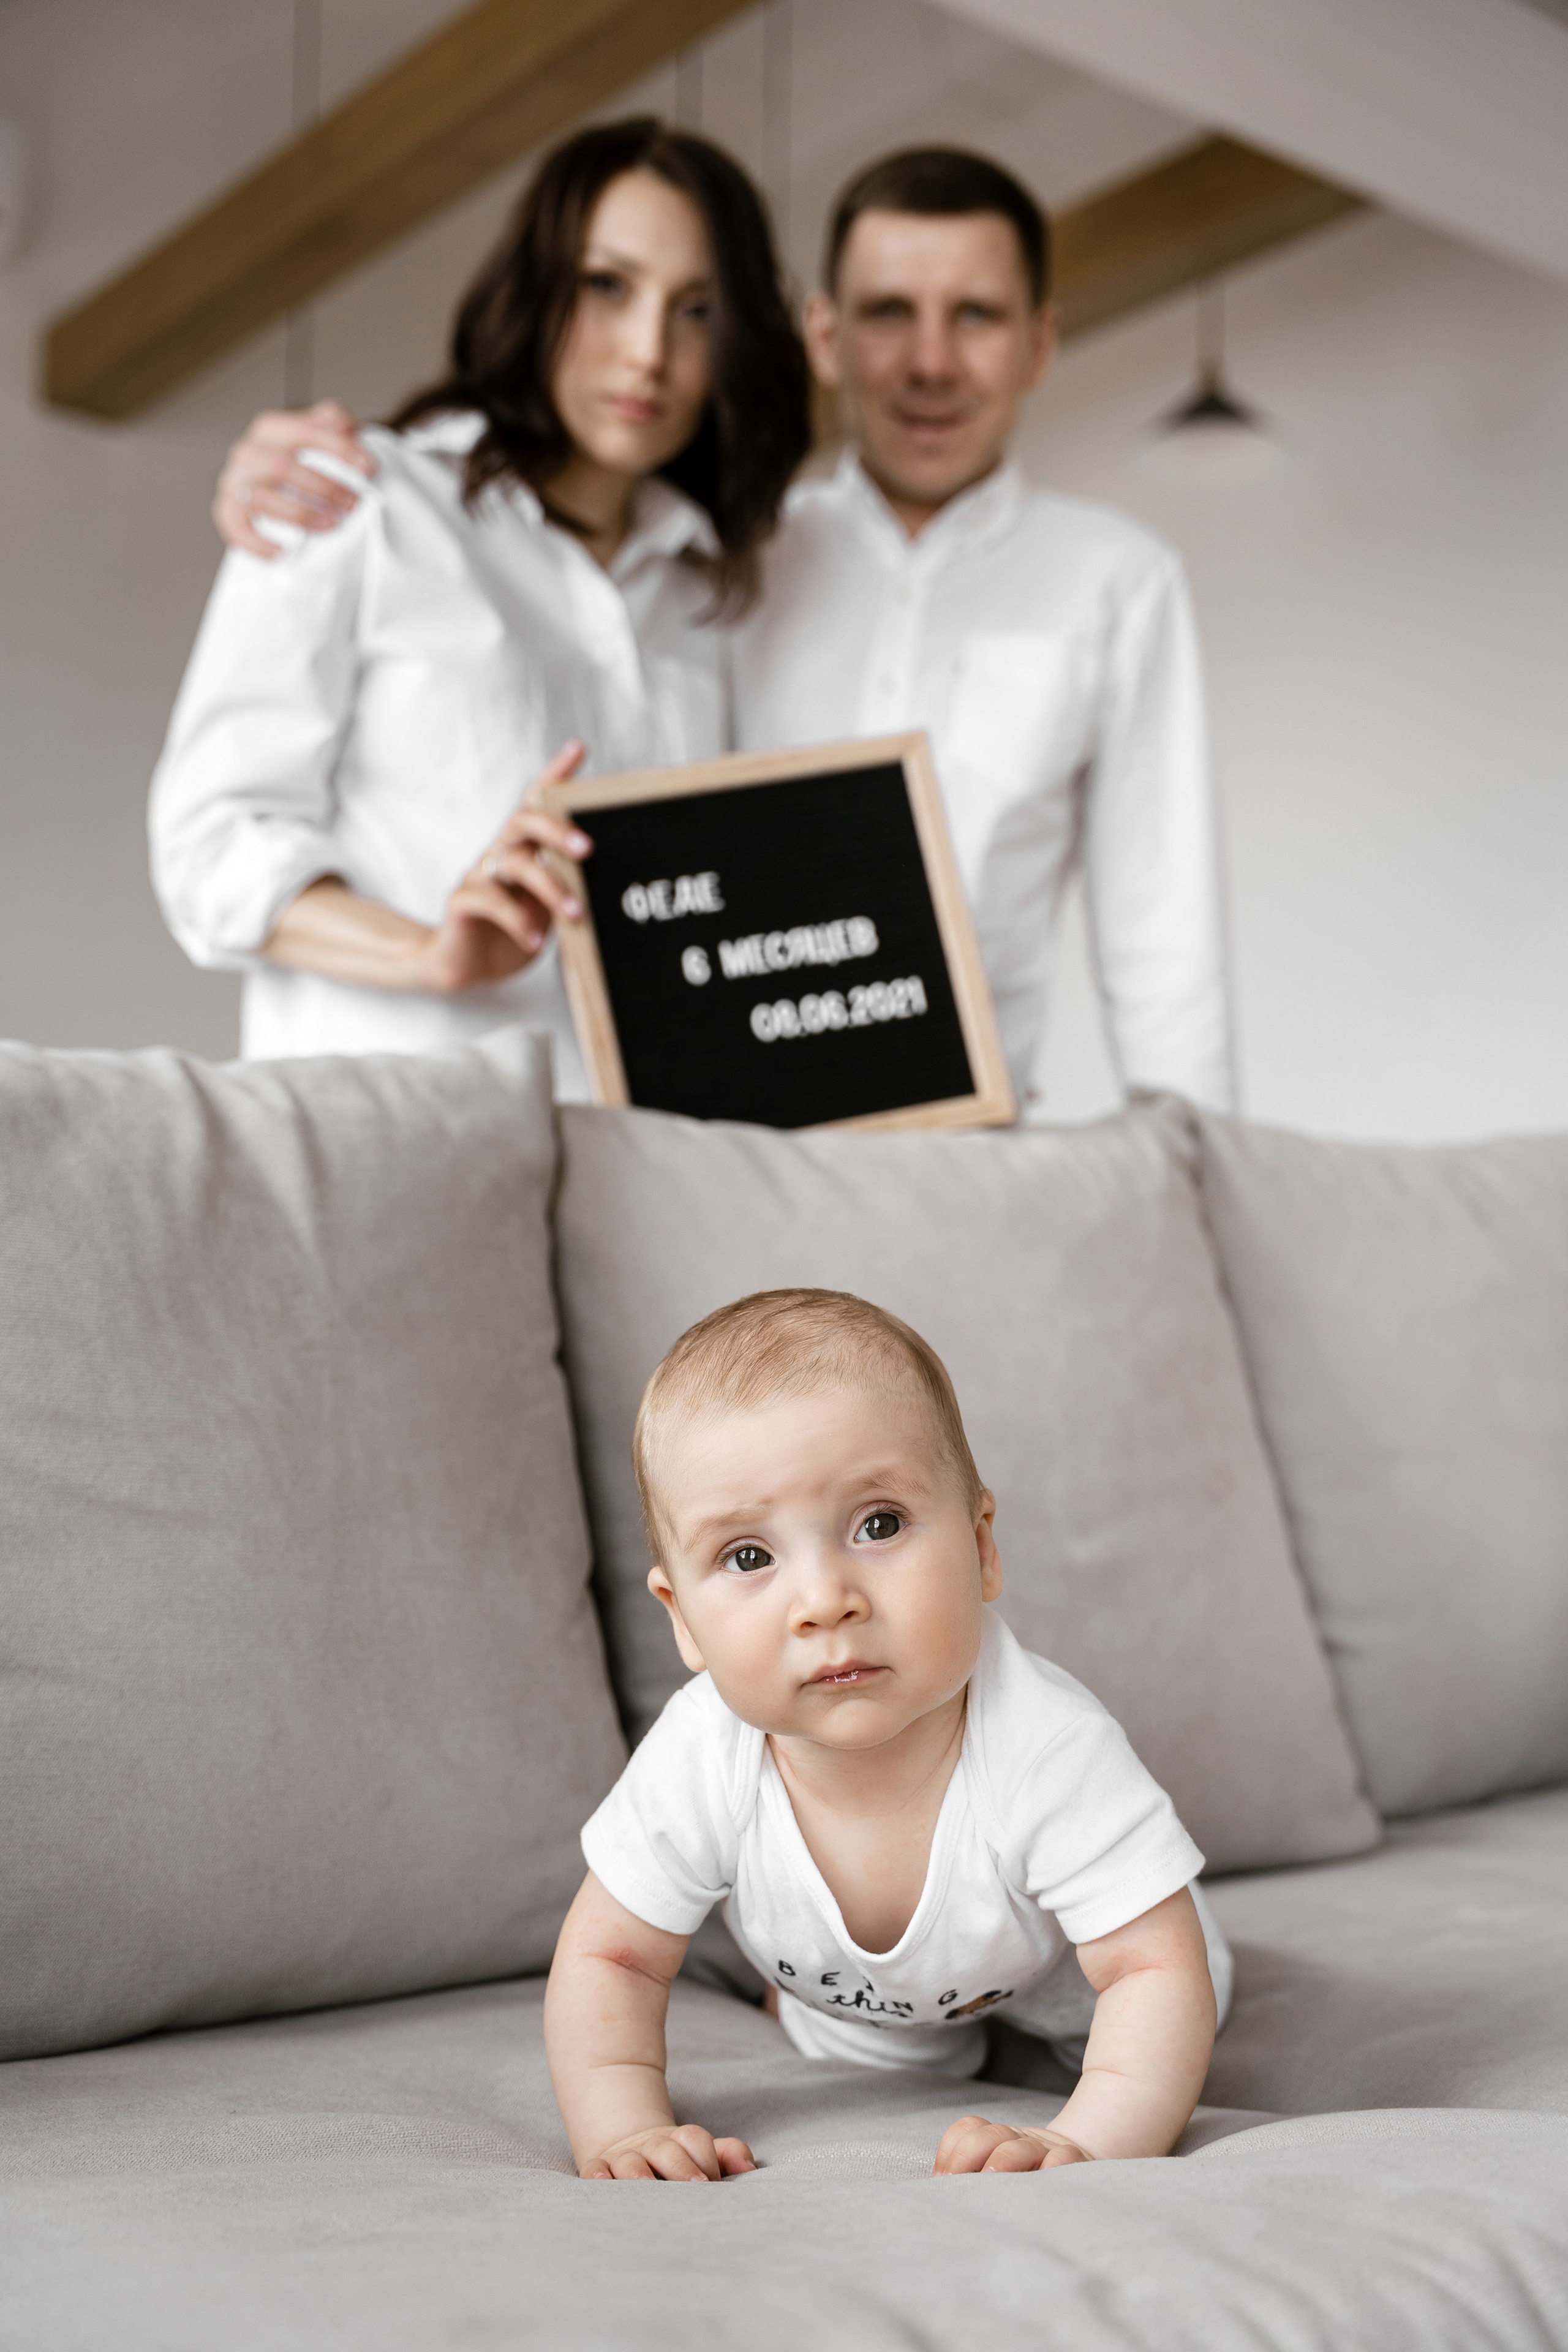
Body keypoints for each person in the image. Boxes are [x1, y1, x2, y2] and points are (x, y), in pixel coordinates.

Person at [211, 146, 1233, 1114]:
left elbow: (1164, 936)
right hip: (707, 1146)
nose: (931, 362)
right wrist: (291, 475)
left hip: (967, 1146)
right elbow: (218, 839)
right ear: (823, 336)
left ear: (1038, 342)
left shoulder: (1113, 581)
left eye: (975, 316)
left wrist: (1201, 1187)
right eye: (889, 312)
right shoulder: (724, 563)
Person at [149, 120, 809, 1073]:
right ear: (540, 286)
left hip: (634, 1175)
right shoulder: (354, 497)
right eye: (608, 286)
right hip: (384, 1152)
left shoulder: (714, 592)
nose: (648, 354)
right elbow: (209, 846)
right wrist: (428, 954)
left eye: (697, 311)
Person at [544, 1287, 1229, 2182]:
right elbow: (612, 1956)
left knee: (1171, 2004)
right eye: (748, 1557)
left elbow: (1150, 1971)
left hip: (1077, 1973)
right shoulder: (702, 1755)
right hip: (865, 2007)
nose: (827, 1599)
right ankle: (869, 2017)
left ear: (982, 1547)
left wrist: (1084, 2141)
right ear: (682, 1620)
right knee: (864, 2051)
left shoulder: (1047, 1746)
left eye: (880, 1524)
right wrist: (623, 2129)